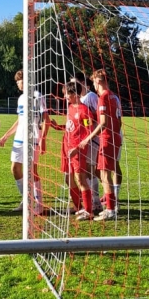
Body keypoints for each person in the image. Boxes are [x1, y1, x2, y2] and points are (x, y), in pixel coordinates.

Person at [0, 69, 49, 214]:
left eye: (18, 81)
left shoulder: (37, 96)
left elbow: (46, 120)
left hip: (32, 138)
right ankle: (26, 199)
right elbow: (19, 120)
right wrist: (6, 136)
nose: (17, 84)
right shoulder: (21, 99)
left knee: (32, 171)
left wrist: (43, 139)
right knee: (15, 168)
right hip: (19, 139)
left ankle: (39, 204)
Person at [79, 69, 122, 222]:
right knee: (105, 172)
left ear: (98, 81)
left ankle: (110, 210)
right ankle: (110, 207)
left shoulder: (103, 97)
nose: (94, 86)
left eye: (94, 82)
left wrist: (88, 138)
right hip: (115, 137)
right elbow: (119, 121)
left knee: (104, 174)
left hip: (107, 138)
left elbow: (103, 123)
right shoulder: (114, 97)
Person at [61, 79, 95, 220]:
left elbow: (89, 131)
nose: (65, 97)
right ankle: (78, 207)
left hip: (78, 151)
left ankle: (89, 211)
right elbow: (71, 127)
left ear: (74, 94)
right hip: (66, 148)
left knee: (81, 180)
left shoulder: (84, 111)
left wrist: (77, 148)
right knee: (69, 178)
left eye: (67, 94)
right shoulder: (70, 108)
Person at [75, 71, 103, 214]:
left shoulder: (91, 97)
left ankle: (96, 202)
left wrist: (90, 129)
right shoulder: (81, 99)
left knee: (89, 169)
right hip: (85, 139)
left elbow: (97, 117)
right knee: (87, 169)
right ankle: (94, 200)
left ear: (82, 83)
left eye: (75, 83)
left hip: (92, 138)